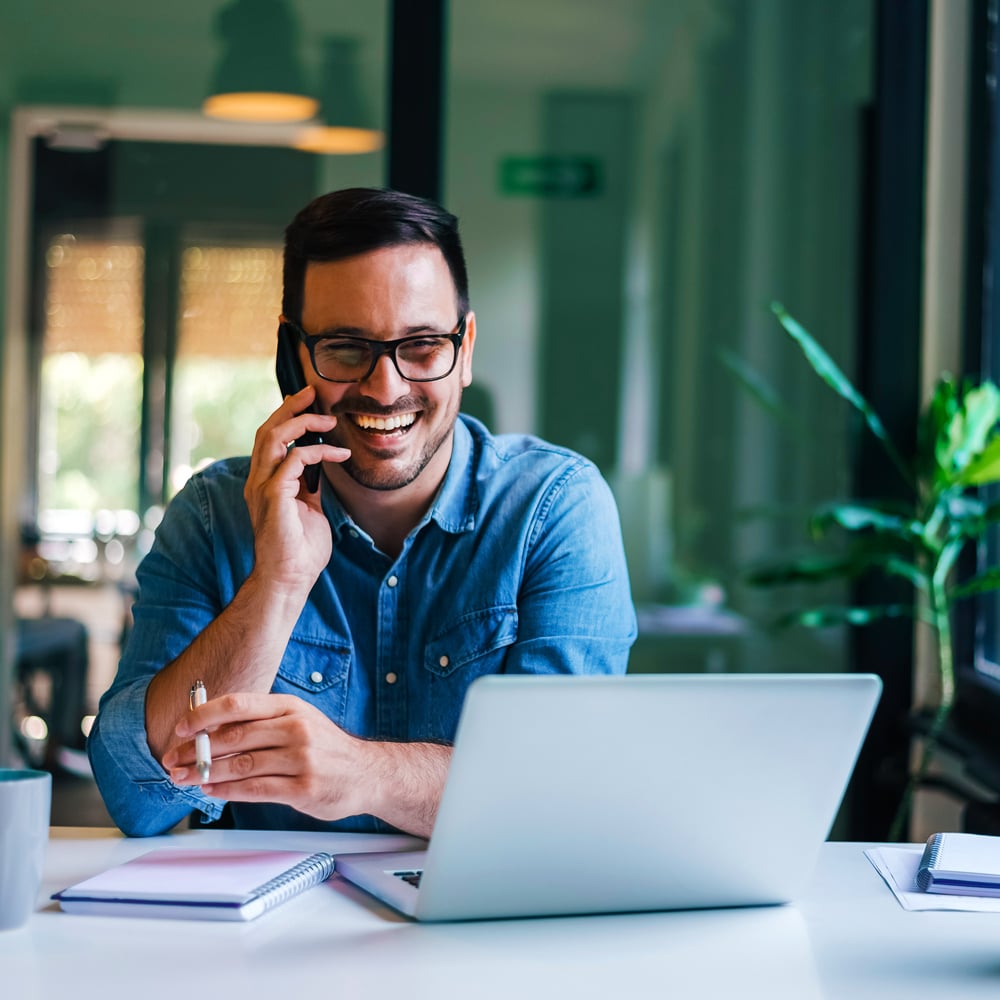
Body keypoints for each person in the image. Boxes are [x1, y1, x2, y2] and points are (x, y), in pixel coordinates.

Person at [88, 187, 637, 837]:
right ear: (295, 356)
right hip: (270, 932)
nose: (386, 387)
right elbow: (137, 797)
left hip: (483, 929)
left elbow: (563, 794)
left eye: (422, 346)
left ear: (465, 348)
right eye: (347, 348)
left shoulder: (554, 508)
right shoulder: (213, 516)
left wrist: (361, 773)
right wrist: (278, 585)